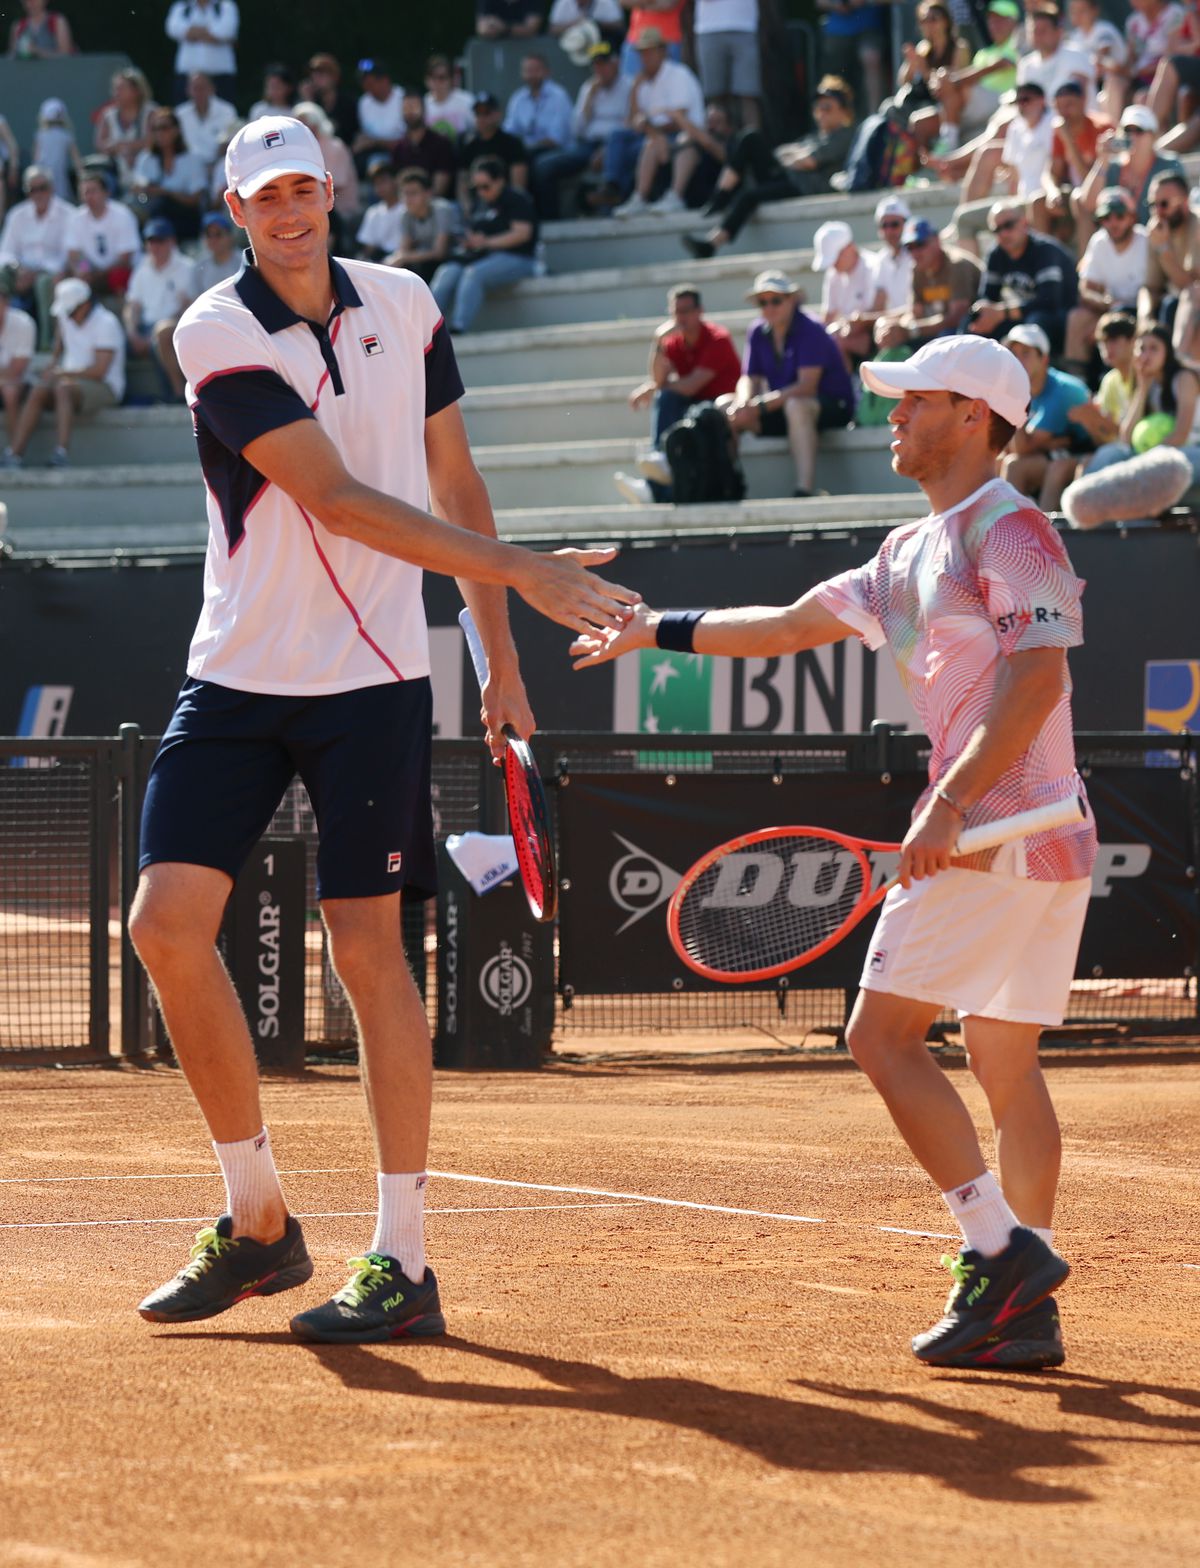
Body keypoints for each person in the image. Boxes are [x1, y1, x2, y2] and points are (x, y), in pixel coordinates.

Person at [128, 113, 637, 1343]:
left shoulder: (406, 301)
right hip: (238, 675)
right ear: (236, 213)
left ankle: (401, 1257)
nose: (291, 210)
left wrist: (500, 657)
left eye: (306, 186)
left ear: (333, 191)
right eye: (266, 196)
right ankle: (258, 1220)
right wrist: (523, 571)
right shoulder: (215, 329)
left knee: (367, 952)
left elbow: (452, 480)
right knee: (163, 926)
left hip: (375, 684)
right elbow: (342, 500)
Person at [572, 332, 1097, 1373]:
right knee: (1001, 1054)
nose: (892, 414)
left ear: (974, 418)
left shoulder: (1013, 527)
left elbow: (1037, 677)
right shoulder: (907, 551)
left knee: (881, 1035)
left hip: (999, 832)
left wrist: (947, 801)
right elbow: (783, 624)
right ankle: (1022, 1294)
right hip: (1045, 834)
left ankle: (1000, 1254)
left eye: (915, 400)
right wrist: (653, 632)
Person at [682, 75, 856, 257]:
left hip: (801, 187)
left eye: (827, 107)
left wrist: (795, 157)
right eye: (818, 108)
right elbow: (782, 153)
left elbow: (808, 162)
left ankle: (711, 243)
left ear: (844, 112)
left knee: (748, 196)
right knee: (750, 138)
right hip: (787, 177)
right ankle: (721, 196)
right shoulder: (815, 136)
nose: (821, 112)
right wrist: (795, 157)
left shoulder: (843, 136)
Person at [720, 269, 854, 498]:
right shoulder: (757, 331)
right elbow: (749, 377)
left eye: (776, 300)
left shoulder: (810, 329)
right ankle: (727, 485)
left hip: (833, 407)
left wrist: (758, 406)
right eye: (763, 302)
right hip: (784, 407)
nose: (769, 307)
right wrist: (743, 403)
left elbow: (807, 387)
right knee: (724, 406)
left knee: (797, 406)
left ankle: (804, 489)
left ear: (792, 300)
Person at [614, 282, 742, 503]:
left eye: (685, 311)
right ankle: (658, 463)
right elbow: (659, 378)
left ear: (699, 311)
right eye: (675, 312)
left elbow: (691, 385)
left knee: (676, 399)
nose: (680, 318)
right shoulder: (673, 341)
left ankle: (654, 484)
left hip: (717, 410)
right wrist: (658, 342)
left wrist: (655, 387)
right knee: (668, 398)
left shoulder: (718, 339)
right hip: (692, 407)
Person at [2, 277, 125, 469]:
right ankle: (15, 454)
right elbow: (58, 350)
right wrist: (51, 370)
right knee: (39, 389)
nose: (67, 316)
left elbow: (100, 372)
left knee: (62, 389)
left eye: (71, 311)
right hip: (70, 382)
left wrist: (62, 374)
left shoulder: (106, 323)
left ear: (85, 305)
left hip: (106, 387)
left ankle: (61, 454)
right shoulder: (66, 317)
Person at [431, 156, 539, 334]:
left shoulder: (516, 199)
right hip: (483, 256)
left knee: (473, 274)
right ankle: (427, 330)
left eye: (486, 186)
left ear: (500, 180)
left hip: (519, 258)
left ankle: (458, 329)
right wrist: (470, 240)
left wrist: (486, 242)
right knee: (447, 273)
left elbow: (522, 234)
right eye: (477, 187)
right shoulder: (481, 202)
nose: (481, 192)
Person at [1000, 321, 1101, 508]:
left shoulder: (1062, 390)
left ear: (1044, 359)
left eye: (1026, 353)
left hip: (1091, 455)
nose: (1017, 361)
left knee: (1016, 466)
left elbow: (1021, 449)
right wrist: (1048, 442)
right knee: (997, 462)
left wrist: (1011, 398)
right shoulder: (1025, 387)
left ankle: (1038, 534)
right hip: (1060, 453)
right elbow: (1011, 446)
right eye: (1014, 354)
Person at [1085, 321, 1200, 484]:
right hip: (1159, 455)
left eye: (1154, 348)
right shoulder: (1147, 382)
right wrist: (1143, 388)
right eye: (1141, 349)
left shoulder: (1184, 378)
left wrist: (1145, 460)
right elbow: (1126, 437)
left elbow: (1181, 434)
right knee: (1109, 454)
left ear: (1167, 352)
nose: (1145, 355)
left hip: (1192, 451)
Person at [530, 41, 632, 219]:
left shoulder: (629, 86)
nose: (599, 70)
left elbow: (630, 126)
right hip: (587, 145)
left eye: (604, 64)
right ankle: (551, 221)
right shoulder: (588, 87)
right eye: (596, 65)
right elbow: (576, 130)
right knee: (544, 166)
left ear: (616, 64)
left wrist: (606, 150)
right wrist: (589, 100)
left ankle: (608, 199)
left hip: (616, 145)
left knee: (616, 156)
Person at [953, 80, 1054, 255]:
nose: (1021, 106)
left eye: (1026, 100)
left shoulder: (1053, 124)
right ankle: (975, 277)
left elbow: (1055, 168)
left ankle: (1041, 263)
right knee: (964, 219)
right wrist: (1010, 206)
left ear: (1041, 100)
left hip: (1042, 200)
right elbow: (1014, 176)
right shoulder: (1015, 128)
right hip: (1021, 202)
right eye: (1018, 102)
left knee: (1032, 206)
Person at [968, 199, 1077, 354]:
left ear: (1024, 223)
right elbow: (987, 296)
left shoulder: (1044, 250)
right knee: (973, 321)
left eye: (1008, 225)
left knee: (1033, 324)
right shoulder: (996, 254)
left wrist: (1001, 313)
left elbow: (1049, 301)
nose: (1003, 233)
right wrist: (981, 313)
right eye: (997, 230)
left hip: (1062, 317)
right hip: (1023, 313)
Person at [1062, 187, 1147, 376]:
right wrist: (1105, 305)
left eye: (1119, 215)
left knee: (1112, 324)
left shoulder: (1146, 241)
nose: (1113, 222)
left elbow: (1154, 290)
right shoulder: (1099, 242)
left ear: (1132, 217)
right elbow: (1085, 289)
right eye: (1106, 217)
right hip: (1109, 310)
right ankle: (1078, 384)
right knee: (1077, 318)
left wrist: (1106, 320)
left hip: (1142, 311)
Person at [1073, 106, 1183, 247]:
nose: (1132, 136)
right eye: (1127, 131)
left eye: (1139, 131)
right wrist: (1102, 160)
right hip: (1118, 242)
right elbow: (1087, 204)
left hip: (1159, 242)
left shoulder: (1169, 165)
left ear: (1153, 136)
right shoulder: (1111, 166)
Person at [923, 0, 1022, 153]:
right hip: (973, 102)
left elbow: (997, 66)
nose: (995, 25)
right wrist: (946, 79)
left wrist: (953, 81)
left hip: (1003, 100)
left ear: (1013, 22)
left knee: (953, 84)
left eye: (1001, 20)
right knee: (919, 122)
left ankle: (949, 141)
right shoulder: (984, 53)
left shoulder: (1017, 45)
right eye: (992, 20)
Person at [877, 218, 981, 352]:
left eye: (920, 244)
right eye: (909, 247)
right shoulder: (917, 269)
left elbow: (957, 317)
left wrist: (910, 331)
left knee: (945, 339)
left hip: (972, 331)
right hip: (941, 331)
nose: (915, 253)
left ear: (937, 241)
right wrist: (891, 328)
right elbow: (916, 313)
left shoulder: (957, 265)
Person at [122, 217, 197, 400]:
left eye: (160, 241)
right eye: (151, 241)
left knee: (161, 336)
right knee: (113, 341)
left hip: (174, 327)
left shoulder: (186, 267)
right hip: (145, 327)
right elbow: (132, 305)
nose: (155, 246)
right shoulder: (142, 268)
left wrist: (151, 336)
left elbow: (186, 307)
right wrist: (132, 332)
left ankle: (176, 394)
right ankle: (122, 397)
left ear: (171, 241)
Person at [0, 165, 73, 350]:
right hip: (20, 273)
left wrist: (37, 271)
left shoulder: (69, 214)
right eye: (33, 189)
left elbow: (68, 255)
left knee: (44, 283)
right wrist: (18, 269)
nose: (38, 193)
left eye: (43, 187)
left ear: (52, 188)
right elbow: (6, 252)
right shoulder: (17, 214)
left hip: (51, 274)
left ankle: (46, 344)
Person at [1137, 170, 1200, 361]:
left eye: (1164, 204)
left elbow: (1192, 286)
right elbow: (1151, 287)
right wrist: (1144, 319)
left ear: (1186, 202)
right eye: (1152, 205)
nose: (1158, 212)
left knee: (1185, 296)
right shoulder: (1155, 229)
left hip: (1193, 303)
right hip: (1177, 303)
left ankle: (1177, 362)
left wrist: (1164, 250)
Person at [812, 218, 887, 372]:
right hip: (849, 332)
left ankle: (848, 390)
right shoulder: (833, 273)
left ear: (850, 247)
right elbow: (828, 315)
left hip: (873, 334)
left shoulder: (873, 267)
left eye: (836, 257)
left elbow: (872, 318)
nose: (833, 264)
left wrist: (840, 330)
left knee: (837, 341)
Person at [504, 53, 576, 204]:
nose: (531, 74)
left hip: (559, 151)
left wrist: (522, 148)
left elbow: (556, 139)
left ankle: (546, 217)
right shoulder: (518, 99)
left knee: (538, 164)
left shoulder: (559, 96)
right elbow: (508, 133)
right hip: (526, 152)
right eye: (527, 70)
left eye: (535, 69)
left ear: (547, 71)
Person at [130, 108, 209, 243]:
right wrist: (146, 188)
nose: (159, 133)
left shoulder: (192, 158)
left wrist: (166, 192)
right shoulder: (146, 159)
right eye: (154, 129)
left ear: (176, 130)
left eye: (164, 128)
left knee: (163, 203)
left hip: (184, 217)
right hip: (154, 214)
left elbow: (195, 199)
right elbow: (136, 187)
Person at [65, 171, 142, 300]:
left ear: (106, 192)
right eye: (85, 192)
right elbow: (75, 254)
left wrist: (98, 275)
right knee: (71, 283)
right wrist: (84, 269)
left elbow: (125, 258)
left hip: (120, 272)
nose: (89, 196)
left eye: (93, 191)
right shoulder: (76, 219)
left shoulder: (123, 216)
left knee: (119, 277)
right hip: (93, 273)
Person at [693, 0, 762, 131]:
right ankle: (719, 147)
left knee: (748, 94)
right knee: (715, 98)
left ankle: (753, 147)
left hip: (745, 27)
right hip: (709, 29)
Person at [94, 68, 159, 196]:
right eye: (115, 89)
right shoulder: (108, 115)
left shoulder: (151, 112)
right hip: (117, 173)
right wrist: (118, 150)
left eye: (122, 88)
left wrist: (124, 147)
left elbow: (154, 140)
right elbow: (100, 144)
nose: (116, 93)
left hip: (148, 172)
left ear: (137, 90)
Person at [818, 0, 887, 117]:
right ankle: (835, 117)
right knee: (834, 72)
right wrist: (837, 5)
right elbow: (820, 3)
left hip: (869, 28)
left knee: (871, 58)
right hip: (837, 31)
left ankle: (874, 116)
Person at [458, 94, 530, 206]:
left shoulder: (512, 143)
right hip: (478, 207)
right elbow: (462, 184)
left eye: (486, 112)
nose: (481, 118)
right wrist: (467, 209)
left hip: (507, 205)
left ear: (498, 114)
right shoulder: (468, 145)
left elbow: (518, 187)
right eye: (478, 113)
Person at [391, 168, 460, 282]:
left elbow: (439, 252)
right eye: (405, 193)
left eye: (413, 193)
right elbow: (404, 249)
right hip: (425, 263)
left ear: (428, 193)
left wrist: (404, 257)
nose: (408, 199)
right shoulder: (405, 215)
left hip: (451, 262)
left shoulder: (442, 210)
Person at [165, 0, 239, 104]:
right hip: (187, 76)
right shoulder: (181, 7)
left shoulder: (226, 6)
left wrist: (192, 33)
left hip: (220, 76)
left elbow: (226, 31)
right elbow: (172, 29)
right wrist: (211, 34)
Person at [1066, 0, 1128, 117]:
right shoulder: (1075, 37)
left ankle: (1112, 130)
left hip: (1121, 79)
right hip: (1095, 84)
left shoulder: (1104, 29)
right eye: (1074, 11)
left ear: (1095, 11)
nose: (1077, 15)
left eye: (1082, 11)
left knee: (1109, 87)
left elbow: (1101, 60)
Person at [389, 93, 456, 200]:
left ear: (424, 110)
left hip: (437, 205)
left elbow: (440, 188)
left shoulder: (441, 143)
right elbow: (398, 184)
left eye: (414, 107)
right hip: (408, 205)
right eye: (406, 108)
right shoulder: (398, 148)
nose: (410, 112)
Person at [0, 280, 35, 450]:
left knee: (10, 390)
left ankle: (14, 453)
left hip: (21, 385)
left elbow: (16, 372)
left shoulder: (24, 322)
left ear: (6, 302)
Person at [354, 60, 405, 172]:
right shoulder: (364, 103)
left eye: (371, 84)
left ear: (385, 80)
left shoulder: (403, 98)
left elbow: (408, 141)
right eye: (364, 84)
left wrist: (375, 142)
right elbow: (365, 135)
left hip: (403, 154)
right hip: (374, 157)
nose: (367, 88)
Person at [300, 54, 358, 147]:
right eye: (314, 75)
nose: (316, 79)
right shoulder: (309, 103)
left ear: (334, 77)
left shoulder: (348, 103)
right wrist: (308, 101)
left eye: (321, 74)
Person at [32, 96, 83, 201]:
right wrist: (81, 174)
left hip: (47, 176)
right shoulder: (66, 135)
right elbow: (77, 160)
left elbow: (36, 159)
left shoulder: (41, 135)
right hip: (53, 177)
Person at [424, 54, 476, 141]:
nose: (437, 82)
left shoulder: (467, 101)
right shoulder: (423, 104)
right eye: (433, 77)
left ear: (451, 79)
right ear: (427, 80)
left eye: (442, 77)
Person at [193, 208, 238, 293]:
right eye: (208, 234)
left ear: (230, 236)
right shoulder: (199, 267)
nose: (213, 239)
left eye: (218, 234)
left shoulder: (244, 263)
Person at [7, 0, 73, 57]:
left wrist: (37, 52)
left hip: (54, 71)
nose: (31, 2)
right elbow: (12, 57)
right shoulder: (18, 26)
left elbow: (65, 56)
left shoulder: (57, 21)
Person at [477, 0, 543, 38]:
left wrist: (504, 27)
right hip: (496, 51)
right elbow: (482, 29)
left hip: (528, 51)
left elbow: (532, 29)